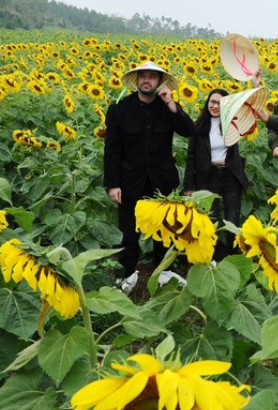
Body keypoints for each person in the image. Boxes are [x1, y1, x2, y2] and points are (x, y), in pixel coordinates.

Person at [104, 62, 193, 287]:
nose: (146, 80)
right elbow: (112, 149)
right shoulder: (120, 109)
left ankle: (163, 271)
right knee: (129, 230)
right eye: (142, 76)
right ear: (136, 81)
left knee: (163, 228)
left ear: (159, 82)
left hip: (161, 179)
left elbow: (189, 131)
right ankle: (127, 274)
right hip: (129, 180)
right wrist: (113, 184)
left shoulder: (168, 108)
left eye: (152, 77)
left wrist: (172, 103)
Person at [183, 89, 248, 262]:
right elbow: (191, 157)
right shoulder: (198, 126)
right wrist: (188, 187)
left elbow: (249, 113)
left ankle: (234, 259)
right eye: (212, 102)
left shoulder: (232, 124)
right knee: (209, 219)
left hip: (229, 176)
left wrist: (255, 84)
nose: (214, 106)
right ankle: (208, 258)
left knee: (232, 221)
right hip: (208, 177)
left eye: (219, 103)